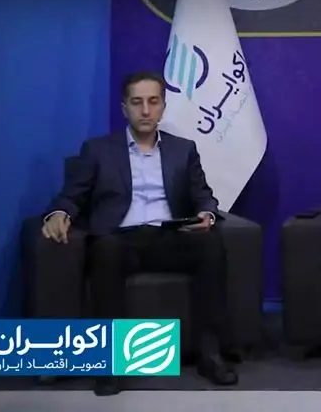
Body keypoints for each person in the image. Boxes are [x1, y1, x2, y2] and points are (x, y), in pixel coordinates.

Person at [40, 71, 237, 397]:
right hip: (120, 238)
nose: (146, 110)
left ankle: (211, 354)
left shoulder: (183, 150)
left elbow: (203, 196)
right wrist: (59, 214)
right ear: (124, 108)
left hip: (168, 238)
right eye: (137, 102)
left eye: (153, 102)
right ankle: (111, 364)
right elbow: (71, 196)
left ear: (163, 106)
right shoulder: (98, 150)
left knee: (211, 244)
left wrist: (206, 213)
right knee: (106, 250)